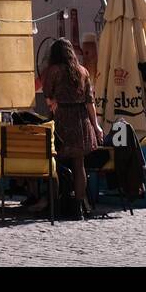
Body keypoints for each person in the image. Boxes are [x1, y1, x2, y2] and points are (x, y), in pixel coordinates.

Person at [43, 37, 102, 218]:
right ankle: (78, 207)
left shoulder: (53, 71)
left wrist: (55, 103)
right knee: (79, 165)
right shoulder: (83, 71)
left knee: (56, 163)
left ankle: (59, 203)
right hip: (81, 120)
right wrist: (96, 126)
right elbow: (90, 102)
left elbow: (48, 98)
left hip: (62, 119)